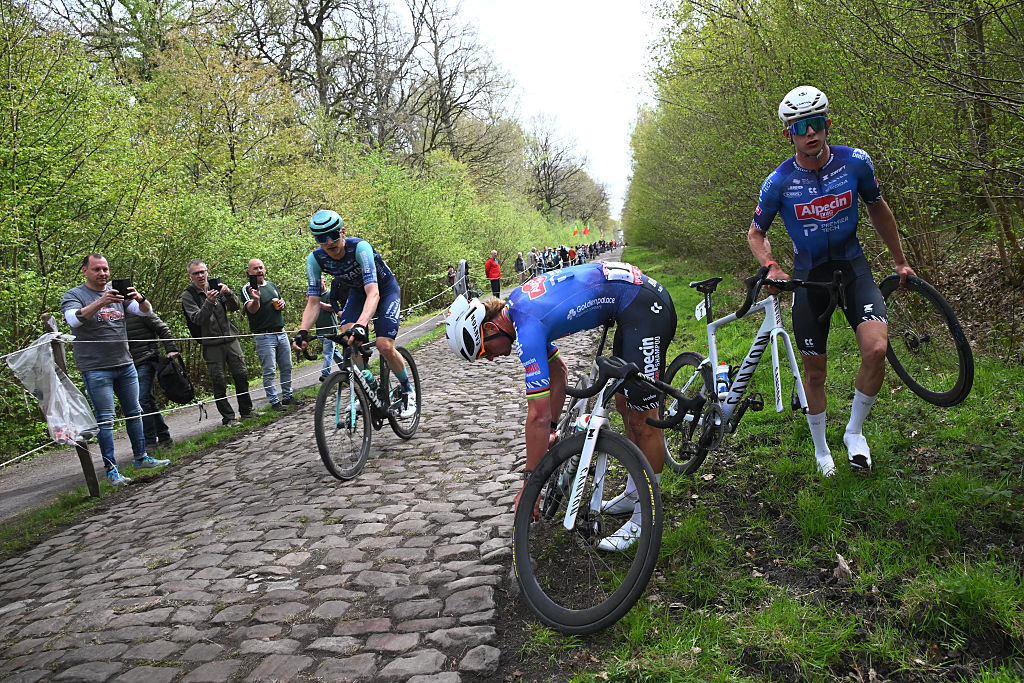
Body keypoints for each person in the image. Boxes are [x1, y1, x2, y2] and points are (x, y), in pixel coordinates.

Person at [444, 261, 676, 551]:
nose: (490, 358)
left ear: (490, 327)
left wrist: (531, 486)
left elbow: (537, 415)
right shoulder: (518, 309)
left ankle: (647, 517)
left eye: (484, 350)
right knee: (623, 402)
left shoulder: (526, 325)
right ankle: (633, 493)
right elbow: (559, 371)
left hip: (643, 307)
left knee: (643, 420)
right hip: (629, 305)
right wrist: (553, 429)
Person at [747, 85, 916, 476]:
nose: (812, 133)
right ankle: (822, 449)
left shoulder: (856, 162)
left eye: (818, 123)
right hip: (809, 279)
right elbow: (756, 233)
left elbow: (878, 209)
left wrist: (900, 260)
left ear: (827, 124)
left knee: (876, 350)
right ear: (788, 133)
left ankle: (854, 433)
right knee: (815, 371)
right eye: (802, 126)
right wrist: (771, 266)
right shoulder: (779, 182)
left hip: (853, 267)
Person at [292, 209, 415, 418]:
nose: (329, 242)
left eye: (333, 234)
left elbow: (373, 292)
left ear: (343, 232)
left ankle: (407, 390)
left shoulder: (360, 248)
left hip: (383, 290)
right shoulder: (315, 260)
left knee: (384, 345)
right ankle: (368, 386)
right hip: (358, 294)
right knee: (348, 338)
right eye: (322, 238)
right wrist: (303, 331)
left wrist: (362, 323)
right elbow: (313, 302)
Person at [61, 254, 170, 486]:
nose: (102, 274)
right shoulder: (74, 295)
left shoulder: (117, 293)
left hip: (125, 362)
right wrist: (101, 301)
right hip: (96, 367)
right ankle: (111, 470)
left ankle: (140, 457)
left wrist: (140, 298)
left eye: (105, 269)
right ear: (85, 271)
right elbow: (73, 320)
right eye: (97, 269)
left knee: (135, 411)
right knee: (106, 420)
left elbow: (144, 312)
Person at [182, 260, 253, 425]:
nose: (200, 276)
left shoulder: (217, 286)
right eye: (196, 273)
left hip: (230, 338)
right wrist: (209, 301)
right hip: (211, 343)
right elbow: (197, 319)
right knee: (218, 381)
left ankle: (247, 412)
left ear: (207, 271)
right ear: (190, 276)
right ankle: (228, 418)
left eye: (202, 272)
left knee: (241, 375)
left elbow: (235, 307)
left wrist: (228, 293)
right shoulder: (188, 295)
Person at [242, 258, 295, 411]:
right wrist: (256, 300)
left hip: (281, 332)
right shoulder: (247, 289)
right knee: (269, 370)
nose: (259, 271)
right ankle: (274, 401)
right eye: (255, 269)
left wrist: (282, 305)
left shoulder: (271, 285)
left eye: (261, 268)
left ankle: (287, 396)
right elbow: (251, 310)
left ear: (264, 269)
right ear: (249, 272)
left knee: (287, 366)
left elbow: (279, 301)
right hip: (263, 336)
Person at [126, 307, 179, 451]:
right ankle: (164, 437)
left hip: (147, 358)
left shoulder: (138, 309)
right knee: (147, 399)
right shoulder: (111, 316)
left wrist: (171, 348)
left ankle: (150, 442)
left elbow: (162, 328)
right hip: (127, 364)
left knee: (141, 399)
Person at [315, 275, 339, 381]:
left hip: (330, 329)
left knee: (328, 352)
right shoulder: (314, 296)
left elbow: (332, 308)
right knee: (334, 353)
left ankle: (325, 374)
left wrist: (318, 303)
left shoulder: (330, 293)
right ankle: (349, 370)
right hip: (319, 330)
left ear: (324, 281)